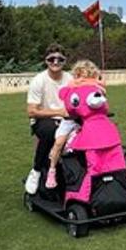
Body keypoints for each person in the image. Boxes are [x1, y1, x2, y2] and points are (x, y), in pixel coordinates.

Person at [45, 60, 103, 189]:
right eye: (80, 75)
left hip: (88, 120)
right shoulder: (72, 87)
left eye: (87, 76)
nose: (83, 79)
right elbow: (69, 103)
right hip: (71, 119)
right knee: (59, 142)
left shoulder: (95, 87)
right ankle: (52, 170)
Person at [25, 44, 70, 193]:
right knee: (50, 131)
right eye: (52, 59)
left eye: (60, 59)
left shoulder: (70, 79)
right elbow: (32, 111)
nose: (55, 62)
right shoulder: (39, 80)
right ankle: (36, 170)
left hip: (67, 119)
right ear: (46, 60)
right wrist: (59, 112)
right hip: (43, 120)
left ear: (65, 61)